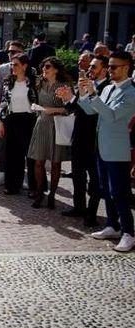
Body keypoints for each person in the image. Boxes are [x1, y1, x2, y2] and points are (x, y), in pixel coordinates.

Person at [77, 51, 135, 252]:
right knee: (106, 190)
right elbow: (92, 111)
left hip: (118, 150)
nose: (109, 70)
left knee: (119, 192)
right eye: (109, 66)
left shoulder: (131, 93)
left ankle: (129, 232)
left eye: (113, 67)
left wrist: (93, 94)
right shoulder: (109, 88)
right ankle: (113, 225)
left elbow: (112, 115)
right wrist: (78, 96)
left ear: (126, 67)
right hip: (102, 147)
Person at [56, 55, 109, 226]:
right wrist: (68, 97)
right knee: (78, 176)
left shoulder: (108, 88)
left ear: (105, 69)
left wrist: (82, 96)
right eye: (90, 67)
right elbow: (75, 108)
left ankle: (91, 214)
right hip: (78, 137)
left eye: (94, 67)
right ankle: (79, 207)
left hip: (95, 139)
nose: (90, 70)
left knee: (95, 180)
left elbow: (96, 111)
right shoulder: (84, 83)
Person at [27, 57, 70, 209]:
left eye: (47, 66)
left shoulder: (63, 86)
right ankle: (40, 193)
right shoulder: (40, 83)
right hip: (42, 123)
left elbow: (69, 108)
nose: (44, 69)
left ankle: (52, 195)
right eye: (43, 66)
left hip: (57, 125)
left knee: (56, 163)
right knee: (38, 162)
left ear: (56, 69)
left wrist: (54, 110)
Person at [0, 54, 37, 195]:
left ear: (24, 66)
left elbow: (36, 102)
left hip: (28, 120)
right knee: (12, 154)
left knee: (30, 155)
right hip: (11, 119)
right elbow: (4, 103)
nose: (13, 67)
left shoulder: (33, 82)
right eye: (12, 64)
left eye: (16, 65)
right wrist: (1, 122)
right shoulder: (8, 81)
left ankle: (34, 188)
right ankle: (12, 185)